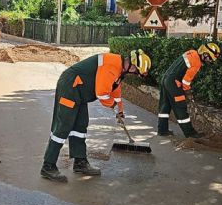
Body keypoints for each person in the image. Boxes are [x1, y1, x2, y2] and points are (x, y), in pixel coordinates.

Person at [41, 49, 152, 182]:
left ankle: (80, 162)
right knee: (64, 126)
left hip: (80, 93)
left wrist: (120, 112)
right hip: (70, 87)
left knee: (80, 126)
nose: (134, 73)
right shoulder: (112, 65)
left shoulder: (119, 69)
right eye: (135, 71)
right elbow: (102, 93)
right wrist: (112, 105)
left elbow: (115, 91)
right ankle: (48, 166)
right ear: (133, 66)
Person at [157, 42, 221, 138]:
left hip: (165, 79)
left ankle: (162, 130)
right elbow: (186, 81)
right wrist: (188, 93)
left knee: (165, 105)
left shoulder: (191, 52)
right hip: (174, 83)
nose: (210, 61)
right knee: (181, 107)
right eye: (210, 58)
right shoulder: (197, 63)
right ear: (205, 54)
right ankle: (190, 133)